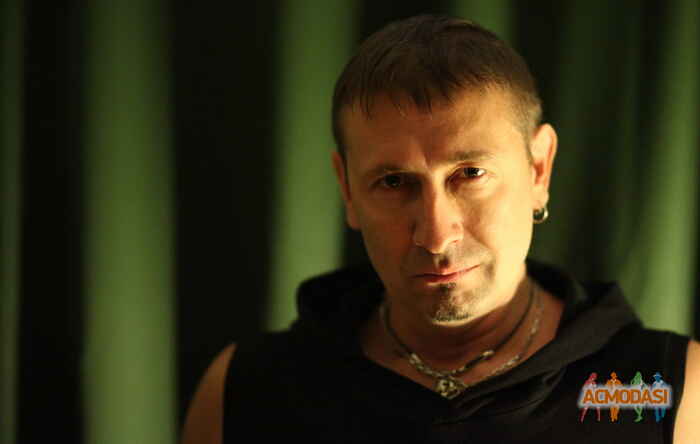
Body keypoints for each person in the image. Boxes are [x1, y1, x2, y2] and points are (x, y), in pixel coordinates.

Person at [182, 14, 699, 444]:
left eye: (470, 174)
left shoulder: (663, 391)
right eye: (393, 182)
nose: (435, 235)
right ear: (347, 189)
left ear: (539, 170)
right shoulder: (244, 391)